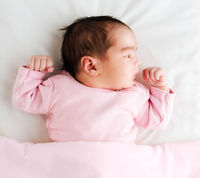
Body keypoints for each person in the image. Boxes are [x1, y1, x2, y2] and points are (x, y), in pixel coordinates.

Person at [12, 15, 175, 143]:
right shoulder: (59, 87)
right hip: (70, 162)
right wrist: (34, 72)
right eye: (128, 55)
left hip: (116, 163)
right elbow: (24, 101)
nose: (137, 61)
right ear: (91, 66)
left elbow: (157, 120)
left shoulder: (134, 94)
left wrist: (160, 88)